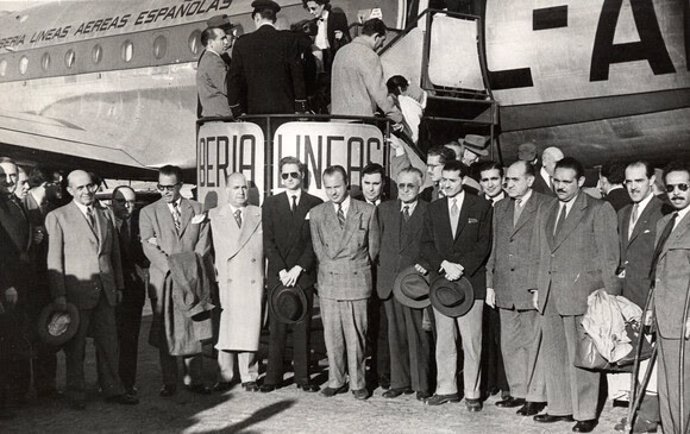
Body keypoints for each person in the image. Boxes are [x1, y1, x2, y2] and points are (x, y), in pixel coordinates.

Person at [531, 157, 619, 433]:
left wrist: (610, 298)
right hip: (550, 293)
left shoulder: (598, 209)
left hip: (584, 295)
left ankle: (585, 412)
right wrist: (536, 288)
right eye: (556, 180)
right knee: (555, 354)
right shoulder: (546, 209)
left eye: (567, 181)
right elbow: (541, 252)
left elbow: (609, 258)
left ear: (581, 182)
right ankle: (559, 407)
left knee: (583, 357)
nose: (560, 186)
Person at [46, 170, 138, 409]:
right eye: (80, 188)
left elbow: (113, 254)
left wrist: (118, 285)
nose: (86, 192)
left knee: (109, 344)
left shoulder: (105, 213)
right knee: (75, 349)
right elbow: (54, 261)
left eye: (89, 186)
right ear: (69, 191)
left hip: (105, 292)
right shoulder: (57, 217)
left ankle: (113, 389)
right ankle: (76, 394)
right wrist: (59, 297)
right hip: (76, 294)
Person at [416, 160, 492, 411]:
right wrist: (444, 265)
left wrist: (461, 268)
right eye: (443, 180)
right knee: (445, 340)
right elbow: (425, 244)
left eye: (451, 180)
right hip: (442, 283)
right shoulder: (433, 208)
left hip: (471, 283)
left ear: (463, 181)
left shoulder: (480, 206)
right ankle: (446, 388)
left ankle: (473, 392)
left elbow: (484, 244)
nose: (445, 184)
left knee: (472, 342)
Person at [485, 160, 553, 416]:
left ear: (530, 180)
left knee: (533, 342)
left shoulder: (545, 205)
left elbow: (546, 249)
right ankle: (518, 391)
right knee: (510, 343)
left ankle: (536, 396)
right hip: (504, 287)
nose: (508, 184)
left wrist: (538, 286)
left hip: (529, 287)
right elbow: (494, 249)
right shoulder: (500, 207)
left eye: (514, 179)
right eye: (507, 179)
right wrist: (490, 283)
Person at [139, 165, 212, 397]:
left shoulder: (198, 209)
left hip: (192, 278)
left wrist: (189, 269)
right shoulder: (148, 212)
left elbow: (203, 243)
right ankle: (169, 381)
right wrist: (172, 268)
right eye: (161, 187)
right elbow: (148, 246)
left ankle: (195, 380)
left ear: (180, 185)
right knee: (166, 330)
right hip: (165, 278)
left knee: (193, 324)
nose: (165, 191)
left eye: (170, 187)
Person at [310, 165, 380, 400]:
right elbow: (319, 250)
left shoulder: (367, 211)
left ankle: (358, 382)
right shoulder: (318, 213)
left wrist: (354, 267)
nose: (333, 192)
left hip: (356, 281)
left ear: (347, 183)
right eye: (328, 188)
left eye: (337, 187)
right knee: (332, 336)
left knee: (356, 336)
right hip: (329, 282)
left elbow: (373, 249)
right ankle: (336, 380)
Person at [610, 161, 665, 433]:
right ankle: (636, 413)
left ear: (651, 180)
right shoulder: (622, 213)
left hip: (649, 298)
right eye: (628, 182)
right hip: (627, 299)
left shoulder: (663, 211)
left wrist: (655, 305)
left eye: (639, 181)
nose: (633, 187)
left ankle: (647, 419)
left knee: (651, 363)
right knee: (636, 359)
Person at [261, 157, 323, 393]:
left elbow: (314, 242)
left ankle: (303, 377)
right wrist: (282, 270)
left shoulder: (315, 203)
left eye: (294, 175)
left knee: (302, 326)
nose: (289, 179)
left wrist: (299, 269)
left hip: (302, 275)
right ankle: (272, 378)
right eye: (285, 175)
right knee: (276, 328)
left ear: (302, 175)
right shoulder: (270, 204)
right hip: (279, 275)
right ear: (280, 177)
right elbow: (268, 241)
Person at [377, 167, 433, 401]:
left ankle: (422, 384)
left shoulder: (429, 211)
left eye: (411, 185)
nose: (406, 190)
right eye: (401, 186)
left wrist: (425, 264)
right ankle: (399, 382)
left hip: (414, 283)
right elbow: (376, 242)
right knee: (395, 335)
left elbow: (433, 244)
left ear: (419, 187)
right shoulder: (385, 210)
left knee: (418, 335)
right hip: (389, 281)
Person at [209, 173, 264, 392]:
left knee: (249, 327)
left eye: (244, 187)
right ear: (226, 190)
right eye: (235, 187)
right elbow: (206, 251)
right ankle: (224, 375)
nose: (241, 192)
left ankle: (249, 375)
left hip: (251, 279)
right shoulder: (214, 216)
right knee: (227, 328)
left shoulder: (259, 214)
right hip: (227, 280)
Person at [651, 161, 690, 434]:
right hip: (664, 317)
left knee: (682, 385)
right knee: (667, 383)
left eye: (683, 187)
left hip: (684, 319)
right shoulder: (665, 222)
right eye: (671, 188)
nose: (676, 192)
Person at [228, 0, 307, 116]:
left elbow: (234, 78)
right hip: (285, 109)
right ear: (274, 19)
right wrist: (300, 106)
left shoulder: (242, 43)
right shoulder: (289, 39)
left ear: (257, 17)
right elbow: (297, 74)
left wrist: (236, 110)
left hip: (253, 110)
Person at [353, 162, 390, 389]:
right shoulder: (353, 207)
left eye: (376, 183)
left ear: (383, 184)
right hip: (358, 276)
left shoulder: (390, 207)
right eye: (367, 183)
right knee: (359, 327)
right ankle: (357, 373)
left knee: (382, 327)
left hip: (383, 276)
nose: (371, 188)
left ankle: (382, 373)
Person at [111, 186, 149, 396]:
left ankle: (128, 381)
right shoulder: (103, 222)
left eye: (131, 202)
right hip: (112, 288)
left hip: (134, 289)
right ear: (111, 202)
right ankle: (107, 381)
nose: (127, 206)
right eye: (121, 201)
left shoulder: (140, 222)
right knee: (109, 338)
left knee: (130, 337)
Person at [0, 158, 30, 418]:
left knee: (17, 339)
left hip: (22, 282)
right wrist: (6, 284)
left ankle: (18, 396)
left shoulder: (15, 203)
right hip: (6, 284)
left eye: (12, 176)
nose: (9, 181)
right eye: (3, 176)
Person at [330, 18, 403, 125]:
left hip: (337, 121)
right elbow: (379, 92)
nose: (382, 45)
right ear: (376, 36)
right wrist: (395, 116)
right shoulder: (369, 55)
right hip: (361, 122)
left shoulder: (341, 52)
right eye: (382, 40)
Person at [476, 160, 509, 399]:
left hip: (503, 279)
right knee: (484, 334)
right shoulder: (477, 205)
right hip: (479, 278)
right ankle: (488, 382)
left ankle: (507, 384)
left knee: (504, 335)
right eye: (485, 180)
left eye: (494, 179)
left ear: (503, 179)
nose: (490, 184)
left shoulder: (509, 205)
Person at [302, 0, 350, 73]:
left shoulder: (337, 18)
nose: (311, 12)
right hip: (317, 59)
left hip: (332, 56)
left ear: (322, 5)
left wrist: (341, 36)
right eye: (309, 9)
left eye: (313, 8)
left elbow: (347, 40)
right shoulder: (312, 23)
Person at [197, 27, 233, 119]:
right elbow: (228, 87)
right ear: (210, 43)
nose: (226, 42)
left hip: (215, 115)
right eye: (222, 39)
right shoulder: (213, 60)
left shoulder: (208, 58)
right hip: (221, 116)